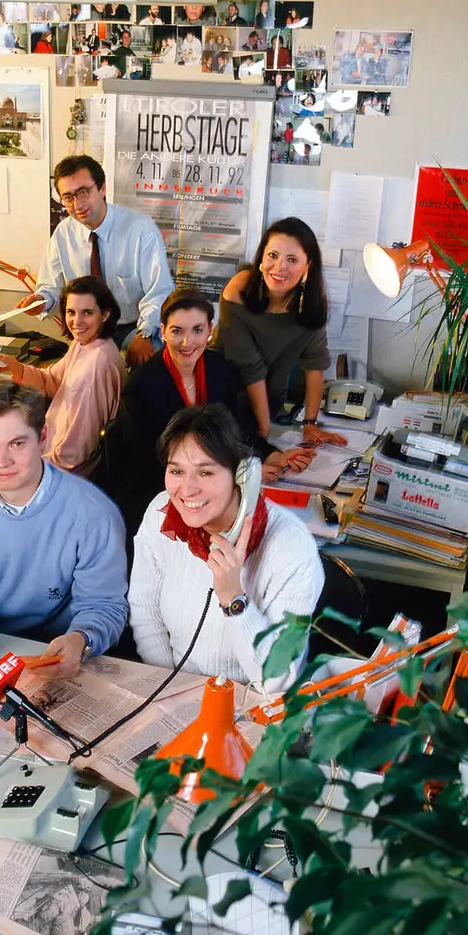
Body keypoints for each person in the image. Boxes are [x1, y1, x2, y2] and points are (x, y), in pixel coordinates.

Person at [0, 381, 128, 679]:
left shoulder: (93, 514)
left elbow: (104, 604)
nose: (1, 462)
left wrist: (82, 638)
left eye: (17, 444)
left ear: (43, 438)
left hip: (61, 648)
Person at [127, 405, 321, 691]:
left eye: (205, 472)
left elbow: (277, 679)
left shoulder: (292, 549)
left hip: (252, 705)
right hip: (175, 692)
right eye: (176, 471)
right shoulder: (160, 513)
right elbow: (145, 612)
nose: (187, 489)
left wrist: (234, 599)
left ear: (244, 476)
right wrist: (170, 690)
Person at [97, 287, 313, 535]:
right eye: (177, 331)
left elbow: (234, 426)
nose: (187, 342)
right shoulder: (142, 385)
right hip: (156, 491)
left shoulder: (218, 367)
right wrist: (235, 477)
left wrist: (270, 455)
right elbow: (148, 463)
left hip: (205, 485)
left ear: (210, 331)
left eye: (197, 330)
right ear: (164, 331)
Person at [22, 155, 173, 368]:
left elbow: (160, 291)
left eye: (83, 192)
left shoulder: (140, 229)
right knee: (75, 384)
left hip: (133, 327)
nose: (78, 204)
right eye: (68, 197)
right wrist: (41, 301)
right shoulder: (63, 234)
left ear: (102, 188)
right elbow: (52, 288)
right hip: (88, 331)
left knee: (152, 367)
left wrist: (145, 333)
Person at [215, 218, 347, 450]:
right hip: (221, 400)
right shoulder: (239, 289)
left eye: (292, 259)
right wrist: (263, 432)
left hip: (270, 403)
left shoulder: (313, 303)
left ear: (308, 266)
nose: (279, 267)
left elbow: (315, 363)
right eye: (272, 255)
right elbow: (249, 367)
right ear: (261, 257)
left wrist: (310, 423)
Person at [0, 276, 125, 477]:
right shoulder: (83, 343)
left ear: (105, 314)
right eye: (71, 312)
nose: (77, 322)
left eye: (87, 313)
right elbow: (53, 382)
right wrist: (16, 368)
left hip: (64, 470)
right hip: (51, 450)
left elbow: (77, 448)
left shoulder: (98, 363)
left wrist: (39, 470)